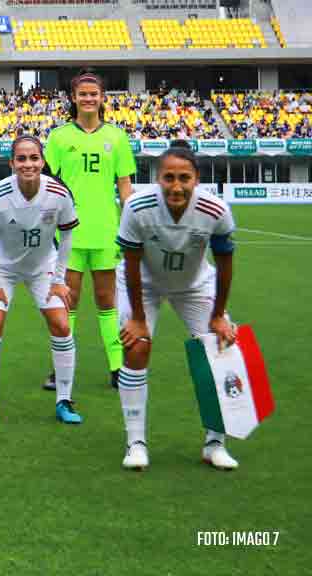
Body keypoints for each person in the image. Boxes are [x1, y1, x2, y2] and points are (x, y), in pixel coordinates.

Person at [115, 141, 239, 471]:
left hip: (195, 285)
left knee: (221, 349)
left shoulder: (215, 210)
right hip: (144, 284)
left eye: (184, 178)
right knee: (137, 347)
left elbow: (225, 265)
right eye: (169, 177)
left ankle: (215, 443)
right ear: (158, 178)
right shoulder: (137, 207)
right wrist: (138, 318)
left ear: (196, 179)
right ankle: (136, 442)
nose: (176, 186)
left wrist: (218, 316)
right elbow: (130, 264)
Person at [0, 135, 82, 425]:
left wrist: (59, 280)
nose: (28, 164)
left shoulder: (59, 192)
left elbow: (68, 235)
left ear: (42, 161)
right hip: (2, 269)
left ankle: (64, 400)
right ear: (12, 163)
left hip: (42, 267)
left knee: (61, 323)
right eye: (21, 159)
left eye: (34, 158)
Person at [43, 69, 136, 391]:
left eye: (93, 94)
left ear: (102, 99)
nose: (88, 98)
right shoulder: (58, 137)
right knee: (67, 302)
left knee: (106, 301)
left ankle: (117, 367)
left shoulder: (117, 137)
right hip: (68, 234)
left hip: (106, 232)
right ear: (73, 98)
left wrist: (131, 224)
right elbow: (47, 184)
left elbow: (125, 187)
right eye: (82, 94)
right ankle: (61, 370)